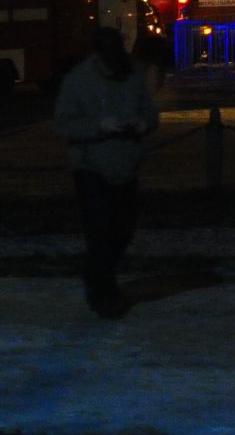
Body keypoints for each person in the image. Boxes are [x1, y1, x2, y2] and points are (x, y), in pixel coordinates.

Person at [54, 24, 160, 318]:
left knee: (123, 230)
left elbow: (151, 113)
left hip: (126, 166)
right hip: (91, 167)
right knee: (100, 234)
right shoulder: (78, 81)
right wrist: (98, 127)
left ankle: (95, 275)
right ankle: (105, 296)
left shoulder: (132, 75)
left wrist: (143, 123)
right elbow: (64, 124)